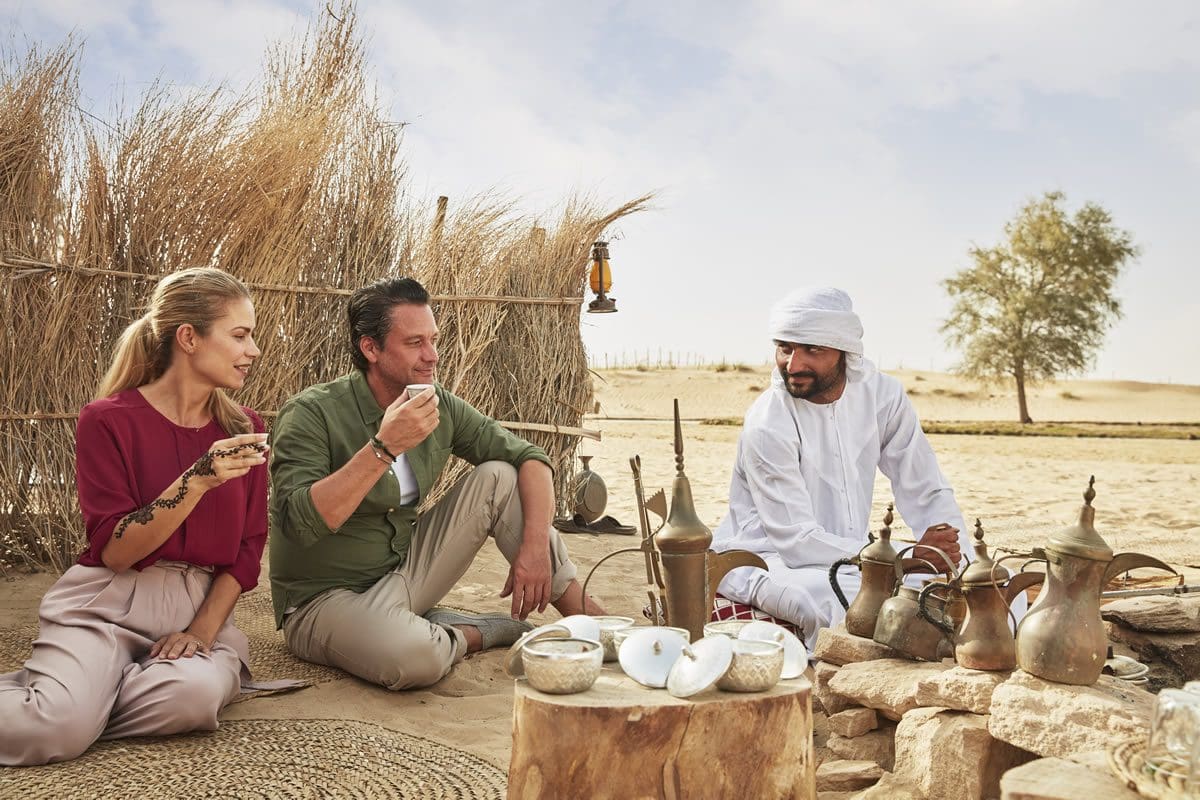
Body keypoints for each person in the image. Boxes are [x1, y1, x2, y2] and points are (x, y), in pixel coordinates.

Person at [269, 276, 603, 690]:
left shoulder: (437, 403)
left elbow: (532, 460)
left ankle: (594, 625)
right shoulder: (310, 414)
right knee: (416, 661)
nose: (432, 356)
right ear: (370, 348)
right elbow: (302, 522)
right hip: (322, 601)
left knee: (499, 475)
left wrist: (534, 546)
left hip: (405, 574)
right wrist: (384, 448)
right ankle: (469, 633)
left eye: (433, 339)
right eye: (414, 343)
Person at [0, 268, 269, 765]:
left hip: (197, 607)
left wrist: (203, 634)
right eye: (239, 335)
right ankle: (71, 708)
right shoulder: (109, 419)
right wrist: (197, 481)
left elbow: (250, 547)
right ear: (188, 337)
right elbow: (117, 551)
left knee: (190, 699)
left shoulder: (245, 427)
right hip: (109, 602)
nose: (253, 350)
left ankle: (82, 700)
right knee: (52, 730)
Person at [712, 287, 973, 645]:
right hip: (769, 560)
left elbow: (925, 487)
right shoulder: (768, 422)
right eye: (785, 348)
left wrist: (959, 560)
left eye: (812, 350)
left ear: (844, 351)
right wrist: (906, 559)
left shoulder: (882, 396)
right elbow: (797, 542)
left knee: (982, 591)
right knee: (838, 603)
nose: (794, 365)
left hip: (853, 559)